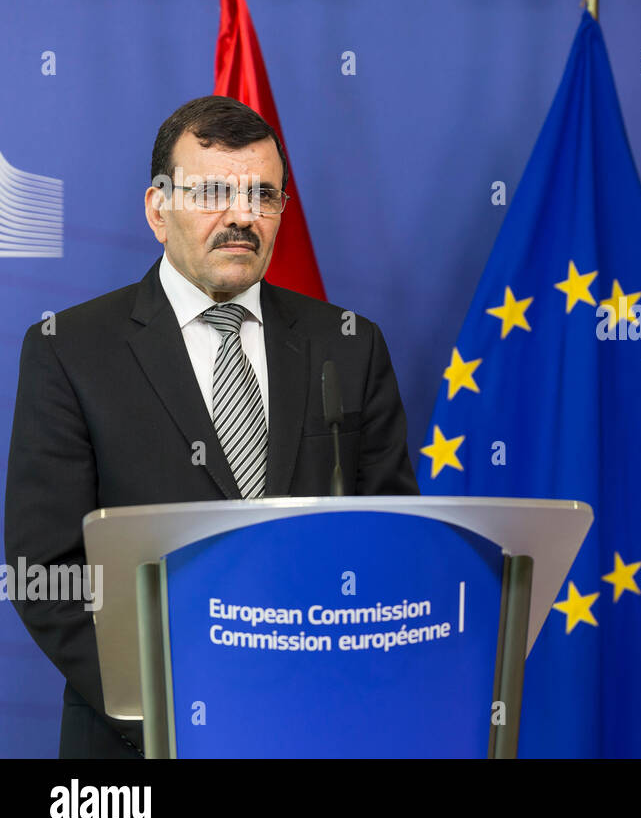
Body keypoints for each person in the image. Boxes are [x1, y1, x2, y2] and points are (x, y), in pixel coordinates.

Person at [4, 95, 419, 758]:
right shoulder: (69, 350)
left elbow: (394, 540)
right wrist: (183, 710)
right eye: (214, 193)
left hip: (317, 726)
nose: (242, 217)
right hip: (140, 742)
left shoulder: (349, 344)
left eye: (263, 194)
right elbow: (47, 569)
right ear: (157, 209)